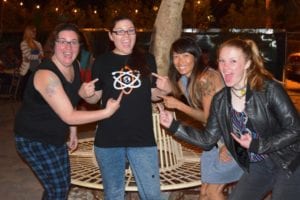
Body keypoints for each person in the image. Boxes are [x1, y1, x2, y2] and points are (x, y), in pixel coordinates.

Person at [158, 38, 300, 200]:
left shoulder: (269, 89)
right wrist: (173, 126)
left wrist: (257, 144)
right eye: (222, 61)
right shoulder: (221, 100)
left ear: (247, 63)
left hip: (289, 162)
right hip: (258, 164)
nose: (226, 68)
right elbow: (207, 140)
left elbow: (296, 129)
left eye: (233, 61)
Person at [14, 23, 122, 200]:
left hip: (55, 135)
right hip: (33, 138)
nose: (68, 47)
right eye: (63, 41)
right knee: (58, 187)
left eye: (73, 42)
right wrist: (106, 112)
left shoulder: (75, 66)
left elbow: (70, 100)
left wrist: (72, 130)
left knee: (60, 183)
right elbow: (68, 114)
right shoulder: (46, 75)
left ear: (79, 47)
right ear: (53, 45)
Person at [86, 16, 163, 200]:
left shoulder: (147, 59)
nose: (126, 35)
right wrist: (86, 94)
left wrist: (164, 90)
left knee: (152, 194)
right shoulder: (101, 62)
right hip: (109, 139)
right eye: (120, 31)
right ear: (111, 36)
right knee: (114, 194)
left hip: (142, 138)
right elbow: (95, 99)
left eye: (130, 30)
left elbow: (153, 95)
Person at [156, 37, 243, 200]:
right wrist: (165, 89)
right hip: (211, 140)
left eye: (185, 55)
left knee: (213, 192)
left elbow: (208, 117)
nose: (180, 61)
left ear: (195, 57)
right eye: (175, 56)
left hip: (232, 137)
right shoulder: (183, 81)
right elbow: (177, 93)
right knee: (203, 192)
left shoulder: (207, 78)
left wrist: (179, 105)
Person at [19, 24, 44, 99]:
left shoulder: (38, 43)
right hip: (28, 69)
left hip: (37, 67)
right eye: (33, 31)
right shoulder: (23, 43)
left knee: (37, 87)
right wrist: (37, 56)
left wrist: (34, 57)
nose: (35, 33)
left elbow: (42, 55)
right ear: (29, 32)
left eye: (35, 31)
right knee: (26, 87)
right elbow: (28, 56)